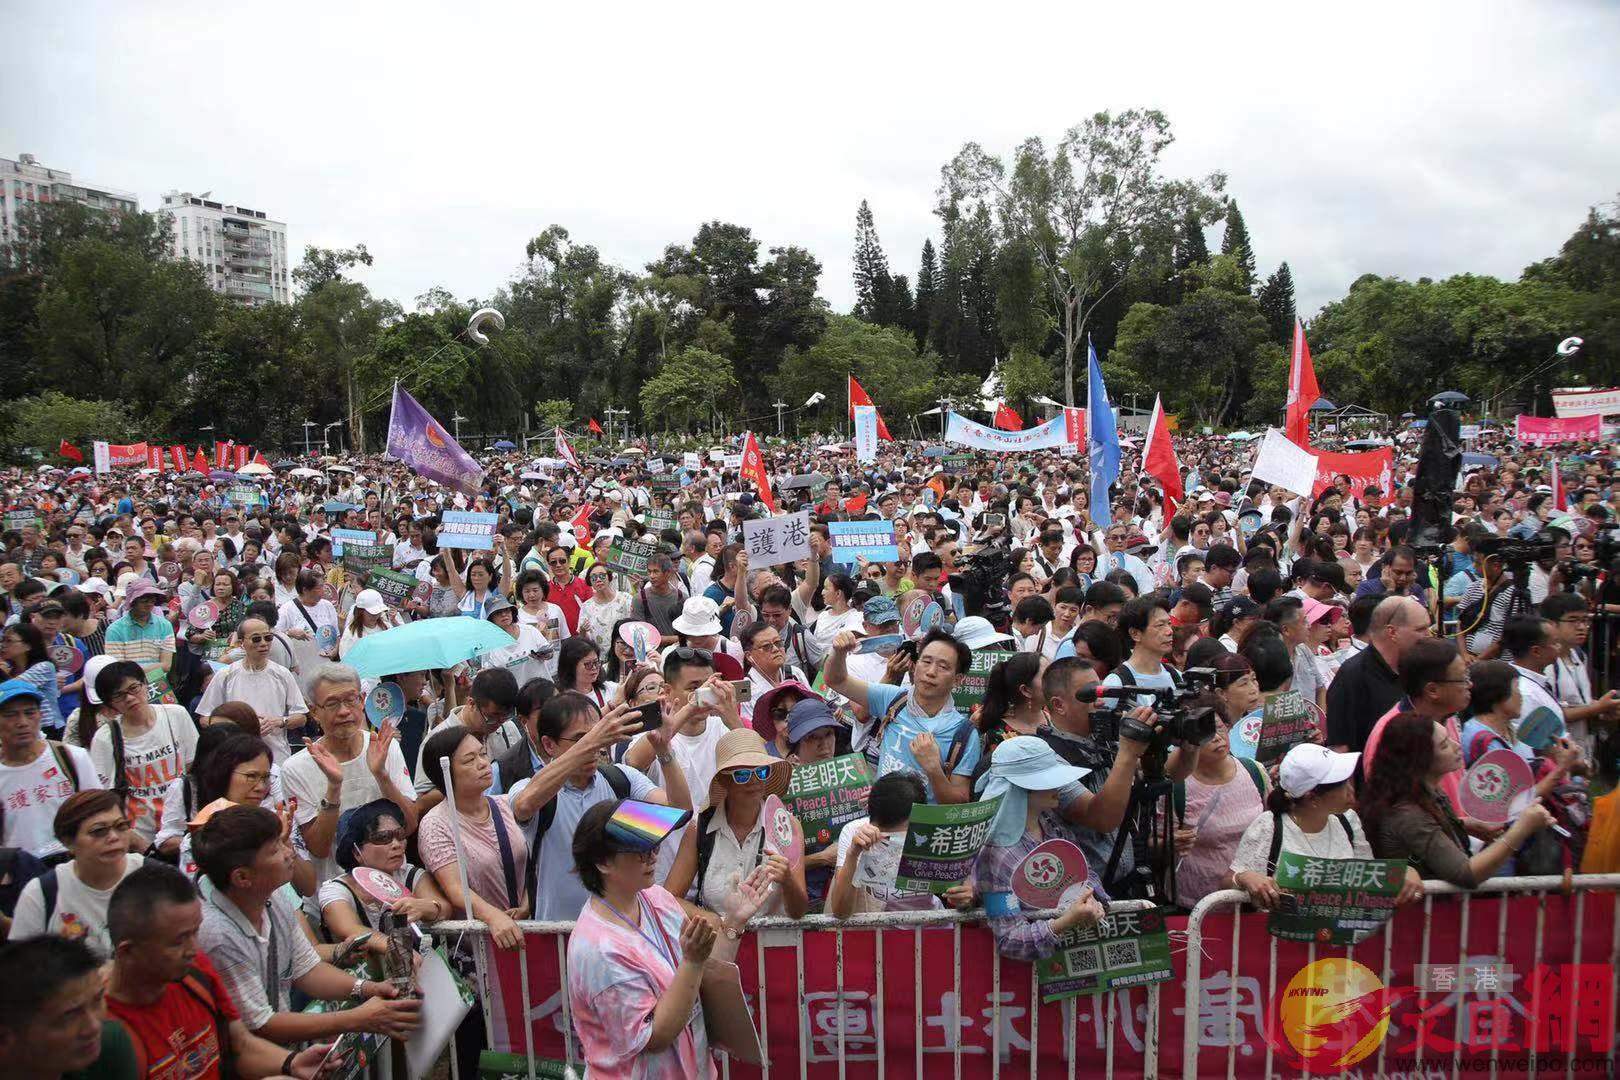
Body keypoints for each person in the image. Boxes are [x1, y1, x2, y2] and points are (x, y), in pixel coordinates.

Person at [103, 862, 376, 1078]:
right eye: (178, 940)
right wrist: (354, 1018)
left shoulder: (196, 972)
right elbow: (261, 1025)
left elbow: (241, 1045)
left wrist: (291, 1063)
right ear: (128, 952)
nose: (192, 947)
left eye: (194, 932)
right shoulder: (104, 1034)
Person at [566, 798, 774, 1079]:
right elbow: (654, 1037)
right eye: (639, 849)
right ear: (602, 862)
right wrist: (692, 962)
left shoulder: (655, 897)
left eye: (655, 844)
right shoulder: (598, 949)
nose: (653, 855)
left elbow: (704, 977)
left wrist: (735, 921)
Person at [192, 805, 422, 1044]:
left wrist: (369, 988)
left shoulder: (274, 896)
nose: (289, 854)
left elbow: (307, 969)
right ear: (242, 877)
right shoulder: (216, 933)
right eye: (275, 850)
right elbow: (261, 1024)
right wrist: (358, 1018)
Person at [1362, 712, 1557, 888]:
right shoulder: (1408, 813)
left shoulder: (1428, 794)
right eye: (1445, 745)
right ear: (1420, 758)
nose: (1457, 747)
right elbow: (1466, 873)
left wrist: (1463, 825)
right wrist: (1522, 828)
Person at [1230, 744, 1423, 909]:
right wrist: (1244, 878)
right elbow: (1228, 883)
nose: (1351, 790)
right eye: (1342, 785)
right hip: (1277, 945)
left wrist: (1404, 873)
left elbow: (1367, 876)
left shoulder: (1348, 820)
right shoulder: (1268, 826)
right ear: (1312, 798)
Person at [281, 664, 416, 885]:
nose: (344, 711)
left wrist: (381, 775)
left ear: (363, 701)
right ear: (315, 711)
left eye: (351, 700)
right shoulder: (295, 768)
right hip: (337, 891)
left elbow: (409, 825)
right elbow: (319, 848)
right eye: (332, 704)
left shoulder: (384, 747)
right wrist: (334, 787)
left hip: (394, 886)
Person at [973, 737, 1107, 960]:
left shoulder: (1051, 823)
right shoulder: (994, 853)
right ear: (1021, 790)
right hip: (1022, 980)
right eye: (1047, 780)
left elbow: (1085, 872)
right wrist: (1064, 923)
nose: (1059, 786)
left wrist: (1092, 897)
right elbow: (1009, 936)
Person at [823, 628, 981, 803]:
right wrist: (838, 652)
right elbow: (836, 681)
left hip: (922, 830)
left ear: (957, 680)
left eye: (943, 667)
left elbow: (959, 804)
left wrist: (934, 769)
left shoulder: (964, 734)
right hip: (880, 823)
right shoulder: (893, 699)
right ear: (915, 665)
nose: (931, 672)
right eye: (926, 661)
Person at [666, 729, 806, 918]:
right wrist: (713, 921)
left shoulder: (786, 825)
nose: (754, 781)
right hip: (716, 943)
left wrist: (788, 880)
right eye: (742, 774)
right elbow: (669, 899)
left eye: (761, 772)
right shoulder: (700, 827)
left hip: (774, 945)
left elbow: (799, 912)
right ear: (723, 779)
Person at [10, 790, 143, 955]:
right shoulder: (41, 894)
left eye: (121, 826)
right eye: (99, 831)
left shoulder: (155, 876)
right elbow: (20, 969)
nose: (113, 837)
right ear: (68, 842)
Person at [826, 771, 972, 917]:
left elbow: (964, 896)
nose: (892, 842)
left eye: (902, 836)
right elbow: (840, 911)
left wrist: (966, 897)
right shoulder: (854, 831)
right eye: (885, 837)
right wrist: (853, 854)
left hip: (929, 929)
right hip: (878, 932)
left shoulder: (938, 835)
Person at [0, 935, 140, 1080]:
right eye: (70, 1015)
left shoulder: (108, 1049)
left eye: (97, 1000)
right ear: (4, 1038)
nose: (94, 1027)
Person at [318, 798, 448, 943]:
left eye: (400, 835)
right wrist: (392, 948)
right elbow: (349, 929)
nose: (396, 844)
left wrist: (427, 907)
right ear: (356, 852)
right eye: (383, 838)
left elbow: (445, 909)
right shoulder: (336, 890)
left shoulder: (411, 876)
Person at [0, 679, 104, 860]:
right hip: (19, 872)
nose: (22, 722)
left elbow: (99, 812)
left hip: (74, 863)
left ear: (40, 715)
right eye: (11, 715)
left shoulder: (72, 757)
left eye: (29, 713)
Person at [193, 618, 308, 766]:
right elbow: (205, 719)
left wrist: (279, 721)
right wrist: (241, 727)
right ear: (241, 643)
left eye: (268, 638)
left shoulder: (282, 674)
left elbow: (301, 717)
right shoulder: (225, 675)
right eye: (256, 639)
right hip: (235, 758)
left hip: (276, 758)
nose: (263, 643)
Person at [1325, 596, 1428, 753]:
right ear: (1392, 632)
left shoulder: (1416, 668)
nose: (1428, 635)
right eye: (1420, 629)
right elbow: (1340, 748)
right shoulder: (1352, 676)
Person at [1, 622, 65, 738]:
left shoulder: (44, 667)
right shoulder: (10, 671)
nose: (3, 645)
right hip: (21, 730)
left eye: (9, 641)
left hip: (49, 730)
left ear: (28, 645)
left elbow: (11, 688)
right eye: (2, 640)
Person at [102, 580, 175, 680]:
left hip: (159, 685)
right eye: (144, 600)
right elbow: (118, 668)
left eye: (152, 600)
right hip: (129, 686)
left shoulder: (165, 625)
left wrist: (138, 673)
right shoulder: (115, 629)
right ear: (133, 601)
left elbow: (166, 665)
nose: (149, 603)